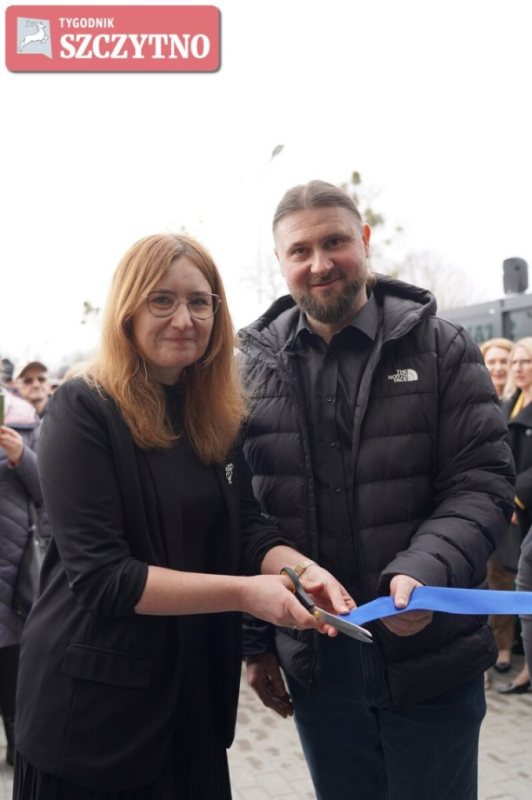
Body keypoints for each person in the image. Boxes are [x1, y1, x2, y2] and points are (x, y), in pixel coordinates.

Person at [13, 232, 352, 800]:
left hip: (191, 701)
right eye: (162, 300)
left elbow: (246, 527)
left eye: (199, 301)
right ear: (128, 310)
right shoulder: (84, 407)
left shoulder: (213, 411)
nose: (183, 319)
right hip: (96, 718)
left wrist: (298, 568)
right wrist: (246, 594)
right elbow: (103, 577)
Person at [238, 180, 515, 800]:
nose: (320, 264)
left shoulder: (443, 348)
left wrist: (425, 569)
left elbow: (480, 483)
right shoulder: (250, 371)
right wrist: (256, 644)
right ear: (280, 260)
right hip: (319, 669)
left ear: (364, 241)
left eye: (334, 242)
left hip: (431, 660)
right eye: (300, 250)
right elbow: (246, 515)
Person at [0, 384, 47, 766]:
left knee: (13, 663)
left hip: (14, 565)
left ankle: (19, 745)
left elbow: (49, 491)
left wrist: (22, 457)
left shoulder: (24, 422)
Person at [479, 338, 519, 676]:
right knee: (497, 578)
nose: (500, 368)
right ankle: (501, 645)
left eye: (505, 361)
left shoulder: (517, 402)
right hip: (491, 505)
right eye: (492, 362)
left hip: (517, 503)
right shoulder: (474, 399)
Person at [497, 337, 532, 694]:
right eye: (516, 362)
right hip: (515, 514)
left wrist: (514, 495)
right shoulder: (509, 403)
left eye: (527, 361)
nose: (519, 368)